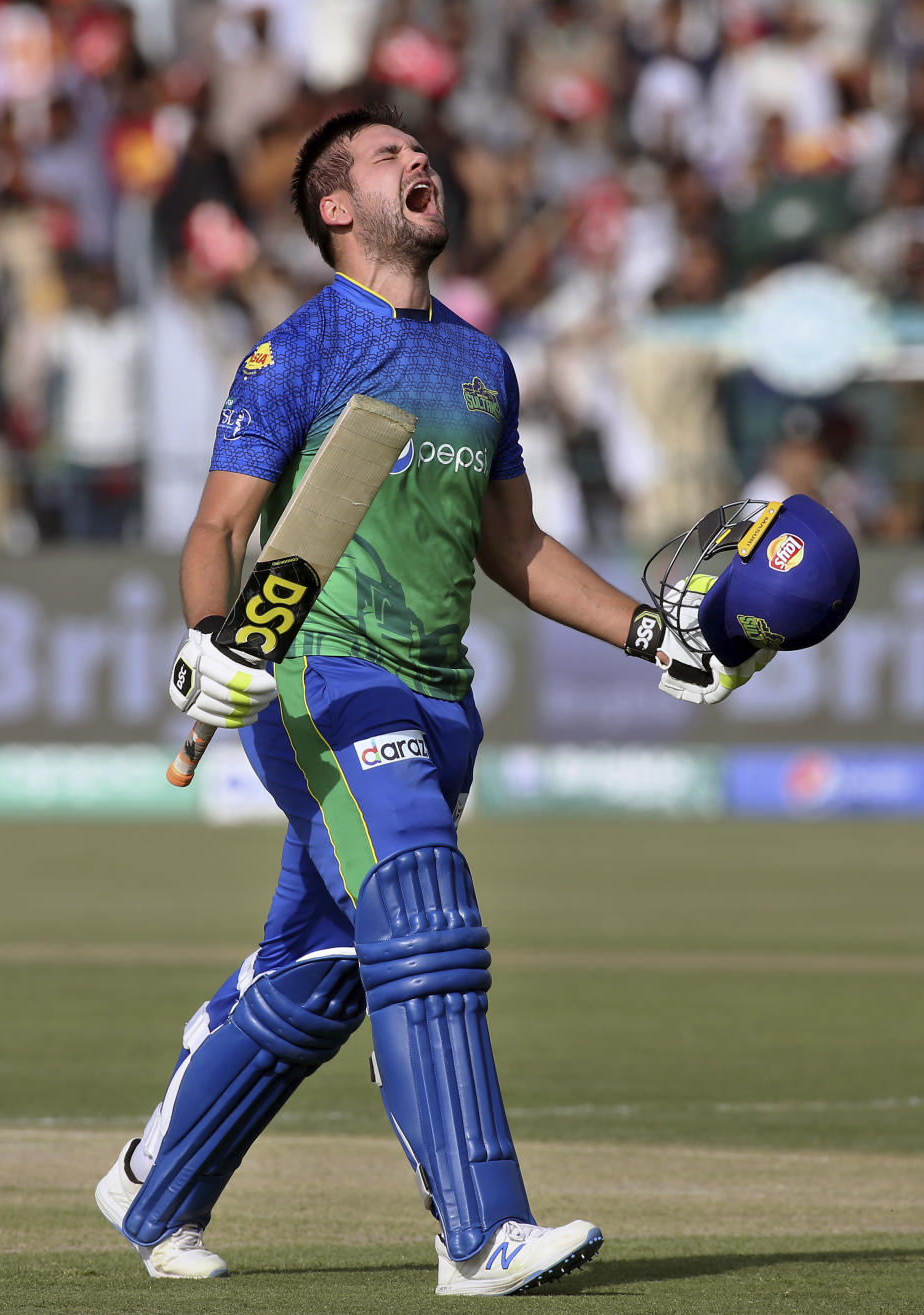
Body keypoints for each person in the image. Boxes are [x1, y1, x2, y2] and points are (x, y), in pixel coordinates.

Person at [94, 104, 761, 1296]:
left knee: (335, 958)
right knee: (425, 916)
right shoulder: (294, 349)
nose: (424, 163)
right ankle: (481, 1231)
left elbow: (520, 548)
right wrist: (208, 641)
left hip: (438, 694)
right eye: (390, 156)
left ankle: (157, 1183)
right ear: (336, 208)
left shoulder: (478, 361)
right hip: (323, 679)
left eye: (424, 152)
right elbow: (220, 529)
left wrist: (649, 633)